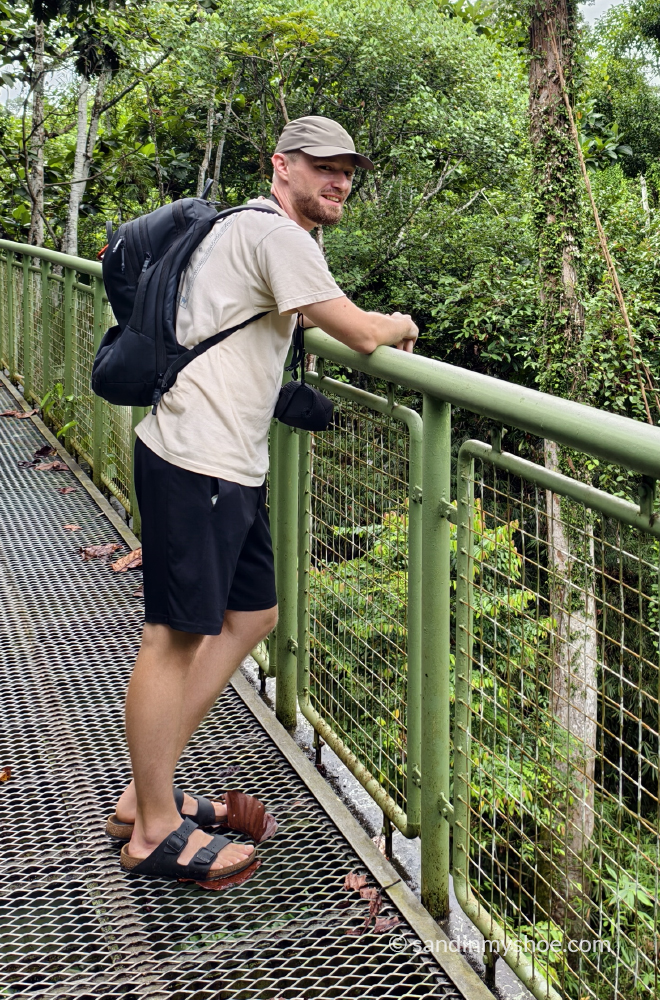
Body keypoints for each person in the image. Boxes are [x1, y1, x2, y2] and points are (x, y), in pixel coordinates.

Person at [110, 116, 418, 881]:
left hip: (224, 460)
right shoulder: (276, 235)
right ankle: (151, 828)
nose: (337, 181)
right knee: (173, 637)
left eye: (347, 169)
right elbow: (359, 332)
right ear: (281, 166)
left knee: (253, 615)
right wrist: (398, 322)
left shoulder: (255, 231)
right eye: (322, 167)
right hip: (197, 458)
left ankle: (142, 794)